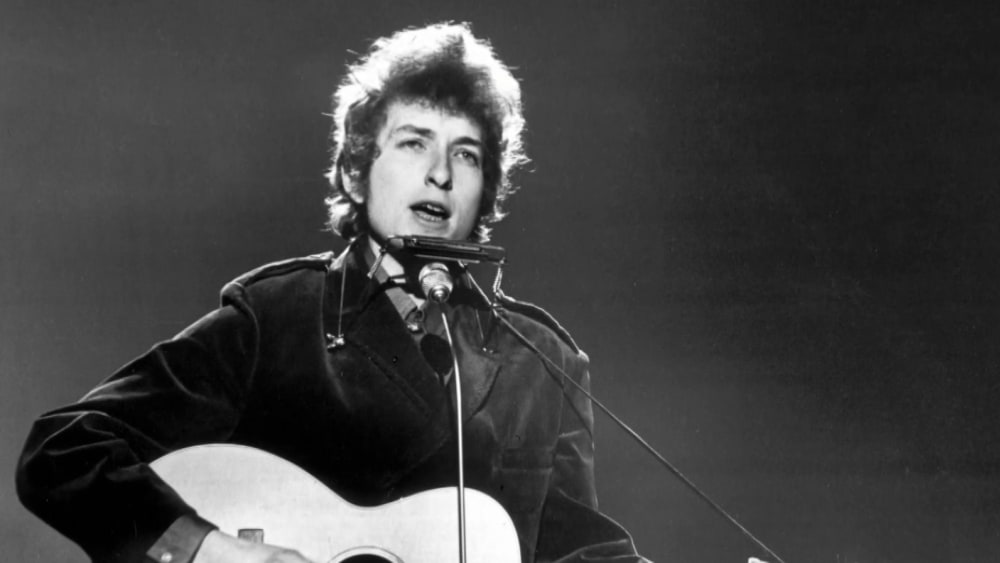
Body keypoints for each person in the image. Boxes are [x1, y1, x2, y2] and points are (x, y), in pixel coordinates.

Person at [16, 22, 646, 563]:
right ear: (355, 172)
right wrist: (211, 548)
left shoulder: (543, 360)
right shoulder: (278, 316)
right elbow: (62, 449)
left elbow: (582, 551)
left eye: (467, 155)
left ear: (486, 192)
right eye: (414, 143)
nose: (440, 174)